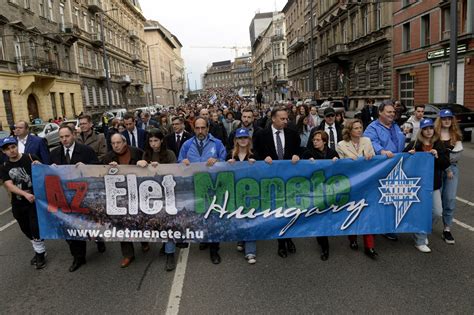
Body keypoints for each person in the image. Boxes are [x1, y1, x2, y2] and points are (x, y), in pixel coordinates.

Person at [50, 125, 100, 272]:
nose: (64, 140)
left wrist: (87, 167)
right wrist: (49, 168)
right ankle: (78, 257)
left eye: (67, 136)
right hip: (64, 198)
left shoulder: (86, 151)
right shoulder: (55, 153)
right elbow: (48, 174)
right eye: (61, 137)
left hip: (84, 197)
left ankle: (99, 240)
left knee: (89, 224)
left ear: (74, 135)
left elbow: (97, 169)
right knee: (70, 228)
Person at [253, 106, 301, 258]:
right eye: (282, 119)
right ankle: (281, 242)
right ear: (273, 119)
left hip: (289, 180)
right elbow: (256, 152)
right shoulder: (262, 134)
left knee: (290, 211)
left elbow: (299, 150)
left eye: (286, 118)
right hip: (271, 180)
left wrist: (296, 156)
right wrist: (263, 158)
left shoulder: (292, 133)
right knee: (278, 212)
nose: (285, 121)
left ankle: (289, 238)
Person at [178, 117, 227, 264]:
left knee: (212, 218)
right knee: (200, 217)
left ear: (207, 128)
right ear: (194, 129)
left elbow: (225, 162)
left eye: (203, 128)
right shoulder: (187, 145)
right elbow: (179, 161)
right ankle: (204, 239)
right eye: (197, 128)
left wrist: (218, 161)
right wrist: (182, 162)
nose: (200, 131)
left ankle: (214, 250)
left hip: (212, 188)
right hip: (194, 187)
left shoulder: (217, 144)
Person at [102, 133, 149, 268]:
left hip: (138, 193)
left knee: (140, 219)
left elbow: (150, 167)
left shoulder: (137, 152)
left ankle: (144, 241)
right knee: (122, 223)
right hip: (120, 197)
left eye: (118, 143)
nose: (116, 146)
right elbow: (100, 175)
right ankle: (128, 254)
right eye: (113, 143)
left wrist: (145, 163)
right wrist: (108, 169)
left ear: (124, 142)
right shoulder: (108, 158)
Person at [0, 137, 47, 269]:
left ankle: (40, 254)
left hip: (35, 200)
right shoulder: (4, 167)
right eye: (8, 149)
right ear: (4, 152)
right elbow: (9, 185)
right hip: (19, 201)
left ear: (17, 146)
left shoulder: (30, 158)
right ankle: (38, 248)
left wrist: (40, 166)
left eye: (13, 147)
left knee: (34, 227)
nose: (12, 151)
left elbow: (46, 172)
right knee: (25, 228)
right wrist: (25, 194)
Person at [404, 118, 450, 253]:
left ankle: (420, 230)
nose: (429, 131)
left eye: (431, 128)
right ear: (421, 130)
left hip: (433, 184)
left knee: (437, 212)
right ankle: (420, 239)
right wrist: (409, 155)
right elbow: (401, 160)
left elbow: (445, 164)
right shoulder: (414, 144)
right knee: (421, 212)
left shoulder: (439, 144)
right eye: (425, 128)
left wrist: (437, 156)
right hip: (417, 185)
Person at [364, 100, 406, 240]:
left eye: (393, 112)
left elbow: (400, 143)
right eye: (389, 112)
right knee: (378, 198)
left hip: (396, 168)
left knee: (392, 198)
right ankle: (375, 226)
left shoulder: (396, 126)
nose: (392, 114)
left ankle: (388, 227)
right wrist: (381, 151)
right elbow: (370, 142)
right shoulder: (372, 127)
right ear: (380, 112)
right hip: (380, 169)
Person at [336, 119, 378, 259]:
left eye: (360, 127)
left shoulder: (367, 141)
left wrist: (370, 157)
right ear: (349, 130)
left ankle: (369, 246)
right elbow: (341, 167)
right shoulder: (341, 145)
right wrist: (349, 162)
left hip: (367, 182)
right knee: (353, 212)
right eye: (356, 128)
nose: (359, 130)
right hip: (351, 184)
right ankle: (352, 238)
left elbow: (374, 160)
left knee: (368, 213)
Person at [136, 129, 177, 271]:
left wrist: (160, 168)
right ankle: (165, 245)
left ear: (161, 141)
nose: (153, 144)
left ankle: (170, 253)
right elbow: (142, 176)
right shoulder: (146, 154)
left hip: (168, 194)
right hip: (152, 196)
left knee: (168, 223)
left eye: (156, 141)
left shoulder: (170, 154)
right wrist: (142, 164)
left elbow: (175, 173)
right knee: (158, 223)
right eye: (151, 141)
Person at [301, 131, 338, 261]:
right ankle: (324, 246)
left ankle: (323, 240)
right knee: (319, 218)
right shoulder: (308, 153)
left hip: (329, 190)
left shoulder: (332, 153)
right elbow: (301, 170)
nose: (315, 142)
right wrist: (306, 162)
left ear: (324, 141)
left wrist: (337, 162)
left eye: (317, 140)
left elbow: (339, 170)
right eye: (314, 139)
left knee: (326, 216)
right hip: (314, 191)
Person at [226, 128, 257, 264]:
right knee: (239, 218)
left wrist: (257, 164)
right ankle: (241, 239)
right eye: (240, 138)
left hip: (252, 193)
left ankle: (250, 251)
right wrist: (228, 164)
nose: (243, 140)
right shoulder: (230, 155)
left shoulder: (255, 154)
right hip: (235, 192)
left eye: (245, 137)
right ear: (236, 140)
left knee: (250, 220)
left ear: (249, 140)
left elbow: (264, 171)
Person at [435, 109, 463, 244]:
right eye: (444, 118)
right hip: (437, 170)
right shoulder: (434, 134)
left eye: (449, 118)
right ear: (440, 119)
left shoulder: (455, 135)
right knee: (436, 201)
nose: (447, 121)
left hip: (452, 170)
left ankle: (447, 229)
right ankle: (427, 225)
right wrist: (444, 156)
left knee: (450, 198)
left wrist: (441, 155)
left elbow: (456, 156)